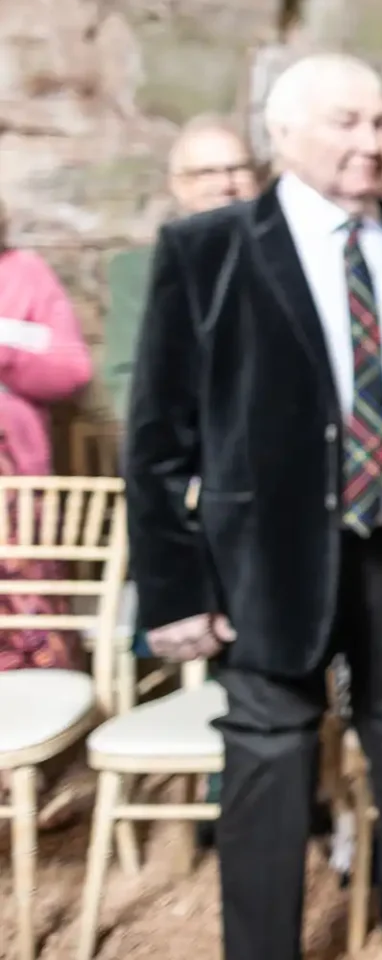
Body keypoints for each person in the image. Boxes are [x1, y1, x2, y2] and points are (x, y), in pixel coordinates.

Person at [123, 53, 382, 960]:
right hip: (266, 560)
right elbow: (155, 441)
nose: (375, 144)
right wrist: (175, 589)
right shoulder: (208, 249)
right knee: (269, 766)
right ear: (282, 132)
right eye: (348, 123)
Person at [101, 115, 260, 419]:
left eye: (237, 169)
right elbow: (128, 378)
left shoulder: (286, 259)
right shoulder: (137, 271)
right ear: (178, 185)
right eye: (207, 172)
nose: (226, 185)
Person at [0, 195, 93, 671]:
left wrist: (4, 347)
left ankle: (44, 733)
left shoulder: (24, 273)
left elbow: (71, 369)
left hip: (14, 501)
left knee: (30, 632)